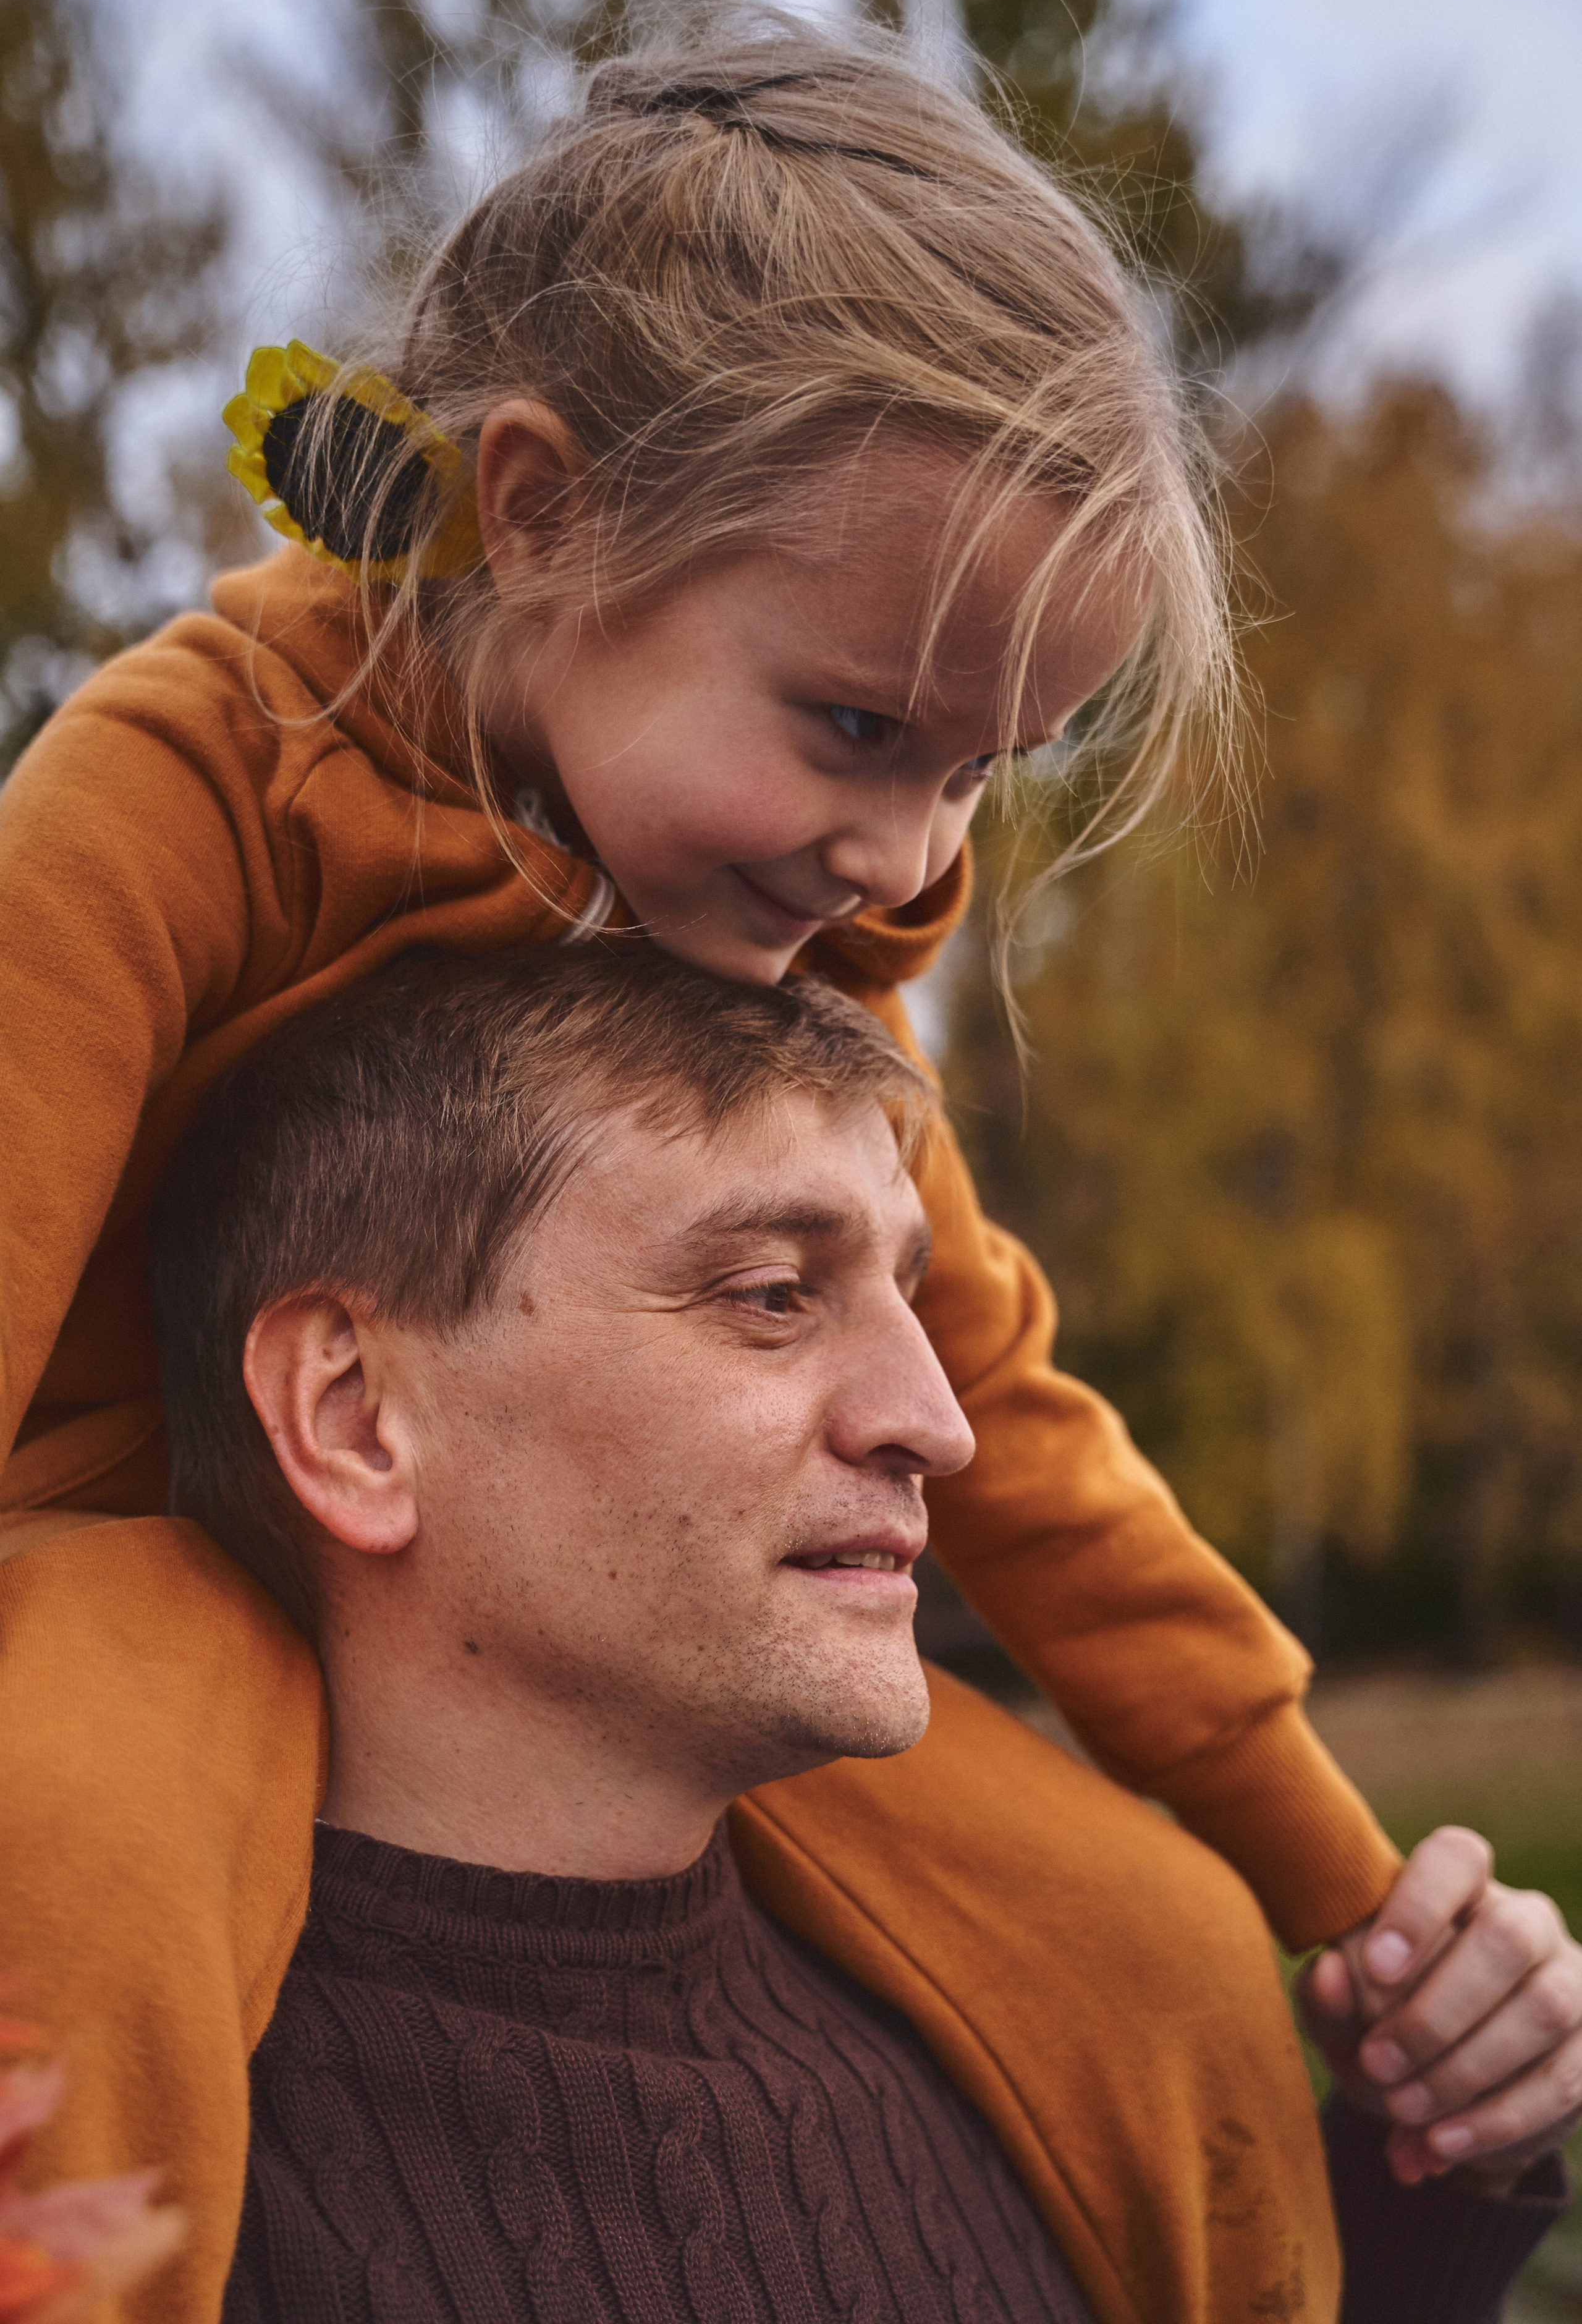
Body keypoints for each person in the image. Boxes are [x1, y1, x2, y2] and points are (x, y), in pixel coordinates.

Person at [1, 3, 1578, 2324]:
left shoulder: (775, 923)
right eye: (860, 726)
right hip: (139, 1533)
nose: (908, 848)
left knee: (1130, 1926)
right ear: (537, 514)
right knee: (84, 1854)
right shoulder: (191, 781)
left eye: (980, 770)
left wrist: (1352, 1895)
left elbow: (1007, 1420)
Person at [146, 941, 1568, 2324]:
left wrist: (1430, 2149)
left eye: (908, 1289)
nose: (938, 1424)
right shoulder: (123, 2187)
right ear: (353, 1418)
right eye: (771, 1294)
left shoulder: (1023, 2022)